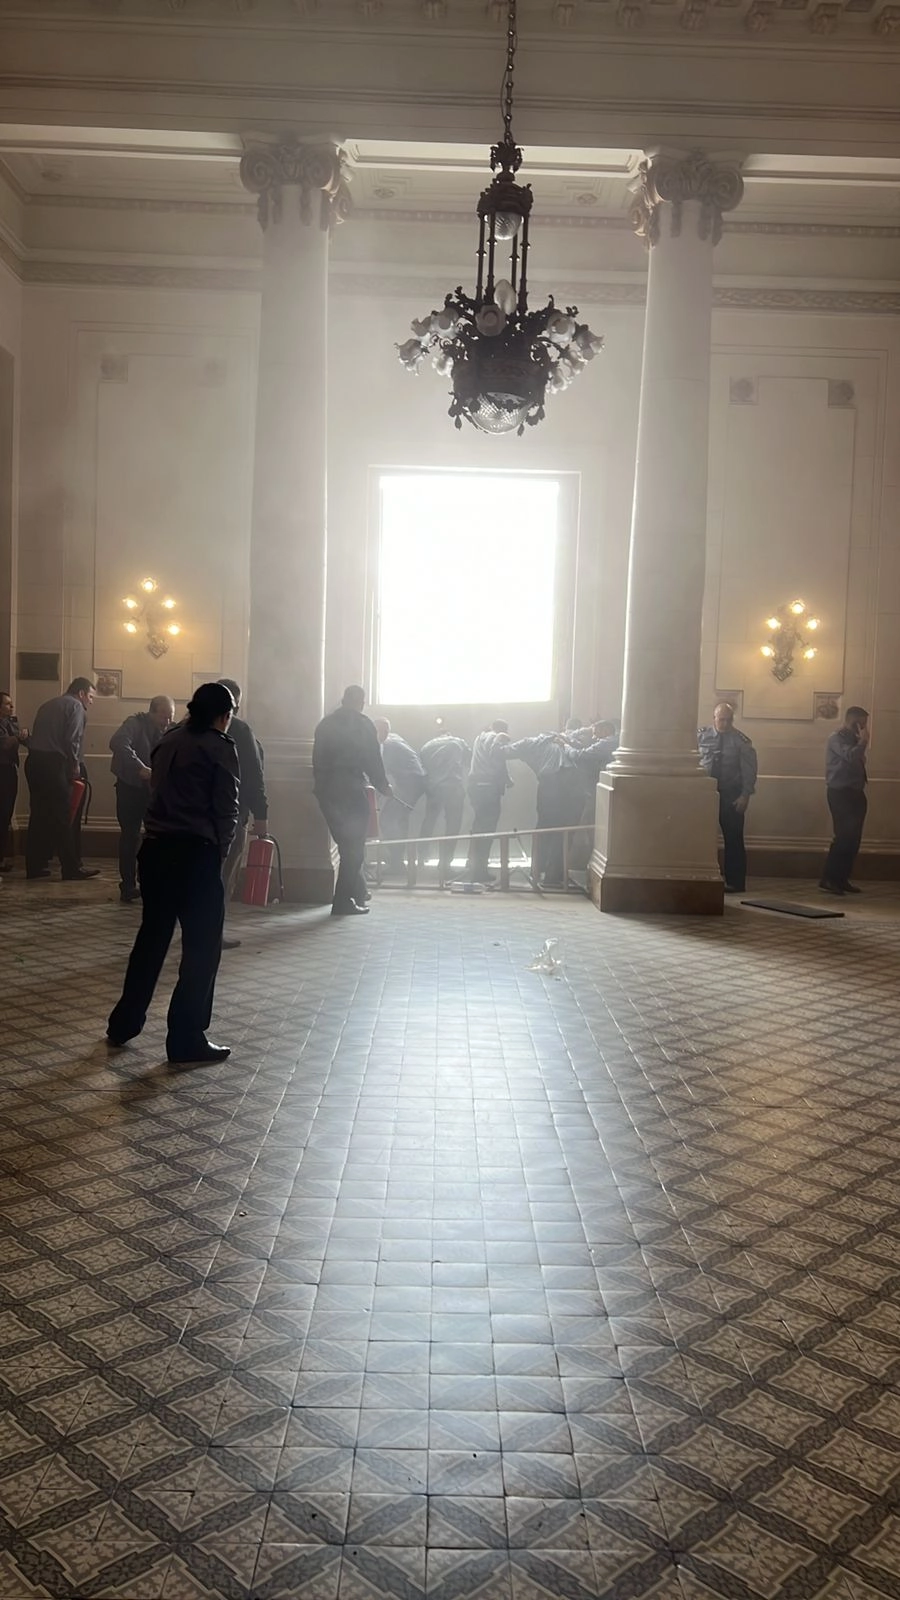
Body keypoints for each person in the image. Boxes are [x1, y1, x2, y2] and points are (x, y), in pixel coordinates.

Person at [106, 682, 239, 1065]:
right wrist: (219, 856)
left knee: (151, 940)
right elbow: (225, 811)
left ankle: (124, 1023)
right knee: (201, 950)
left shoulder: (168, 740)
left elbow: (156, 790)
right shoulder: (220, 747)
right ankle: (186, 1037)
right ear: (224, 715)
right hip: (195, 856)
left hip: (155, 850)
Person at [313, 686, 391, 916]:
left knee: (348, 848)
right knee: (354, 849)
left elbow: (317, 759)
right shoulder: (362, 724)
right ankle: (343, 902)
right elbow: (372, 759)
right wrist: (383, 785)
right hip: (350, 791)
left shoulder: (325, 724)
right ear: (361, 702)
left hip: (327, 792)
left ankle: (356, 893)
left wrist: (321, 788)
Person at [25, 677, 98, 881]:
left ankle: (34, 865)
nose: (90, 702)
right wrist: (75, 765)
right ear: (81, 693)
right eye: (90, 697)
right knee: (63, 815)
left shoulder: (48, 704)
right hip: (55, 763)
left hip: (34, 762)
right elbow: (72, 739)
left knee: (39, 814)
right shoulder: (76, 707)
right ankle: (71, 868)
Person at [218, 678, 269, 949]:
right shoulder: (239, 729)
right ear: (236, 702)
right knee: (224, 876)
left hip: (190, 819)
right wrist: (261, 814)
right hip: (231, 816)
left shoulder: (185, 728)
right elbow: (252, 775)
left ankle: (196, 929)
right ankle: (213, 932)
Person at [109, 696, 175, 904]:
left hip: (154, 792)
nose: (167, 721)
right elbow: (117, 742)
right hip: (130, 789)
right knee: (130, 836)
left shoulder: (170, 730)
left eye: (170, 717)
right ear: (152, 712)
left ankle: (147, 880)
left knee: (154, 837)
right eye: (164, 716)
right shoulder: (134, 723)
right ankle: (128, 885)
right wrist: (139, 767)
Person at [506, 730, 584, 887]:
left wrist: (498, 739)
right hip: (566, 782)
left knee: (544, 827)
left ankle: (537, 871)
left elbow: (505, 752)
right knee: (562, 830)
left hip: (548, 783)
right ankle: (553, 876)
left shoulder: (531, 743)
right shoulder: (563, 740)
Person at [698, 701, 758, 894]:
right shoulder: (701, 736)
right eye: (721, 719)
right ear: (714, 718)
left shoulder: (741, 741)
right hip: (704, 793)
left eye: (728, 720)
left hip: (730, 795)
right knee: (700, 836)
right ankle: (701, 876)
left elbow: (749, 771)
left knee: (733, 839)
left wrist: (745, 795)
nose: (724, 723)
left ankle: (735, 882)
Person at [820, 705, 869, 896]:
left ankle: (842, 878)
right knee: (842, 836)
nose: (863, 728)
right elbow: (849, 756)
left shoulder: (854, 739)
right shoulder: (836, 738)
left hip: (855, 793)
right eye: (861, 724)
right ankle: (829, 879)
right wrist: (863, 743)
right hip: (840, 793)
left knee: (854, 838)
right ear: (852, 721)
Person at [373, 717, 426, 873]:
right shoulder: (394, 738)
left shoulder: (386, 745)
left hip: (409, 781)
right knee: (398, 819)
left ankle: (396, 862)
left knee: (388, 819)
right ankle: (397, 857)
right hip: (414, 780)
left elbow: (378, 772)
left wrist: (374, 795)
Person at [419, 731, 471, 882]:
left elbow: (421, 768)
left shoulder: (426, 746)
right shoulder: (457, 740)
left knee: (429, 821)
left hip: (433, 788)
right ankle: (445, 866)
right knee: (452, 826)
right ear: (448, 734)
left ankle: (421, 857)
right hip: (452, 787)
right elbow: (470, 761)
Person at [467, 720, 512, 884]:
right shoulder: (495, 736)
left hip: (475, 787)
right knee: (487, 831)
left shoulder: (479, 737)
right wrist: (507, 779)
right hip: (488, 788)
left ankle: (472, 867)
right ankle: (479, 872)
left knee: (478, 828)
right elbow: (497, 756)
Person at [0, 691, 28, 870]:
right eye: (7, 704)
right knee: (2, 814)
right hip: (2, 770)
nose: (11, 707)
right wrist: (19, 736)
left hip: (9, 770)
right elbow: (4, 743)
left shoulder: (9, 723)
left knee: (6, 815)